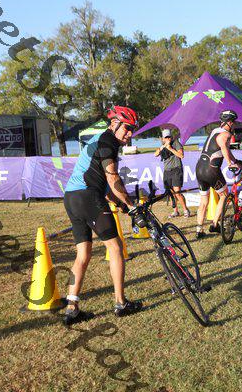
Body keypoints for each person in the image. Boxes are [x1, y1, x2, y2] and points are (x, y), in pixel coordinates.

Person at [62, 105, 143, 325]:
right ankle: (121, 303)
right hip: (88, 197)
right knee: (115, 248)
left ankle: (72, 308)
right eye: (127, 128)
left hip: (72, 198)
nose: (130, 134)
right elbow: (112, 178)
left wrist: (121, 204)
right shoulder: (108, 142)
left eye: (132, 130)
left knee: (83, 255)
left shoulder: (99, 140)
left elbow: (103, 184)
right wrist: (131, 205)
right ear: (114, 123)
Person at [195, 110, 242, 239]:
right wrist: (229, 163)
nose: (234, 125)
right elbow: (224, 148)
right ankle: (215, 224)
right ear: (229, 122)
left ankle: (199, 229)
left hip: (200, 168)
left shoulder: (215, 131)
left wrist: (235, 161)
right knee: (224, 195)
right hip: (211, 169)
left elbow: (224, 150)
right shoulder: (225, 134)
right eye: (234, 122)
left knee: (204, 200)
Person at [154, 128, 189, 218]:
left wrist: (170, 148)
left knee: (177, 192)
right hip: (167, 171)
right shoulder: (162, 146)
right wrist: (162, 147)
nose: (168, 139)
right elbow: (155, 154)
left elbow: (181, 155)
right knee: (171, 193)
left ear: (171, 137)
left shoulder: (176, 143)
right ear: (163, 139)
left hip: (176, 169)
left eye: (169, 137)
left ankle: (185, 210)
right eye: (166, 137)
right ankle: (175, 211)